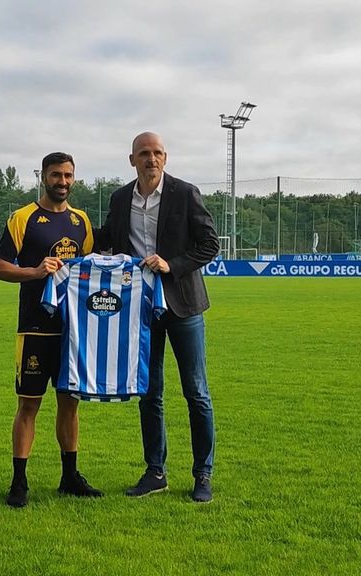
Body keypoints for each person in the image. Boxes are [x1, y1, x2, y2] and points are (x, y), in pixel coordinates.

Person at [94, 132, 220, 503]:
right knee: (150, 393)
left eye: (158, 153)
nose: (152, 159)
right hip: (141, 309)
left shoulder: (185, 193)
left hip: (183, 305)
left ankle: (203, 474)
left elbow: (209, 244)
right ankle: (155, 471)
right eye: (144, 154)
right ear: (131, 159)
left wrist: (171, 264)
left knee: (196, 392)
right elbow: (109, 240)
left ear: (166, 158)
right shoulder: (120, 199)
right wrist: (71, 230)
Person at [0, 151, 103, 508]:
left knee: (70, 405)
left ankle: (69, 476)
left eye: (69, 175)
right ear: (43, 177)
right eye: (57, 175)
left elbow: (88, 269)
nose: (63, 182)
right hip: (36, 327)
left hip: (73, 330)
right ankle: (19, 481)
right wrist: (35, 272)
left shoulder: (81, 221)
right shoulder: (23, 218)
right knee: (29, 405)